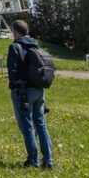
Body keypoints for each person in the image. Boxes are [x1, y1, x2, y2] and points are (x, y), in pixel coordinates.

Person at [7, 19, 54, 169]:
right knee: (41, 124)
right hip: (39, 90)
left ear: (15, 31)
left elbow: (12, 72)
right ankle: (49, 160)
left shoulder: (15, 47)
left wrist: (14, 86)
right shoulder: (35, 46)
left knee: (27, 126)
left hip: (23, 92)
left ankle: (33, 161)